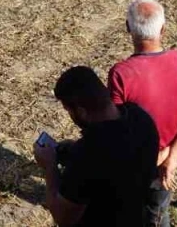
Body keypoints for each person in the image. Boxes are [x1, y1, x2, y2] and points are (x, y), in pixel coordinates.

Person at [108, 0, 177, 227]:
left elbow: (116, 131)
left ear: (128, 28)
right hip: (162, 170)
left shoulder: (122, 73)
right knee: (158, 214)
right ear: (163, 28)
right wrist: (171, 157)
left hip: (132, 169)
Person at [34, 66, 159, 227]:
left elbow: (63, 217)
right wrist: (74, 149)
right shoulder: (141, 118)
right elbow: (118, 159)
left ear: (81, 111)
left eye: (69, 111)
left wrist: (49, 167)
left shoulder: (88, 153)